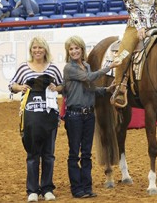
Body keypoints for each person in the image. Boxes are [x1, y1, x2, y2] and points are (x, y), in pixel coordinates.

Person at [63, 35, 121, 199]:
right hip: (74, 115)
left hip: (88, 114)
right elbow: (89, 78)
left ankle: (87, 187)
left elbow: (90, 88)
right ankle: (77, 188)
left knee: (86, 153)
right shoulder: (69, 68)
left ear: (82, 50)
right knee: (75, 153)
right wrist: (109, 67)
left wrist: (106, 90)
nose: (74, 51)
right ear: (68, 52)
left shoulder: (87, 65)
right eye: (71, 49)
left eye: (77, 48)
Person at [9, 36, 63, 202]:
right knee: (33, 154)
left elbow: (62, 86)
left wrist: (56, 87)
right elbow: (12, 85)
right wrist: (20, 87)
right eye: (34, 48)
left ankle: (47, 189)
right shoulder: (24, 68)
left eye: (40, 47)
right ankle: (32, 190)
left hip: (49, 116)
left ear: (45, 49)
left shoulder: (53, 68)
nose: (37, 50)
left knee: (48, 154)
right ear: (31, 50)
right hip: (30, 116)